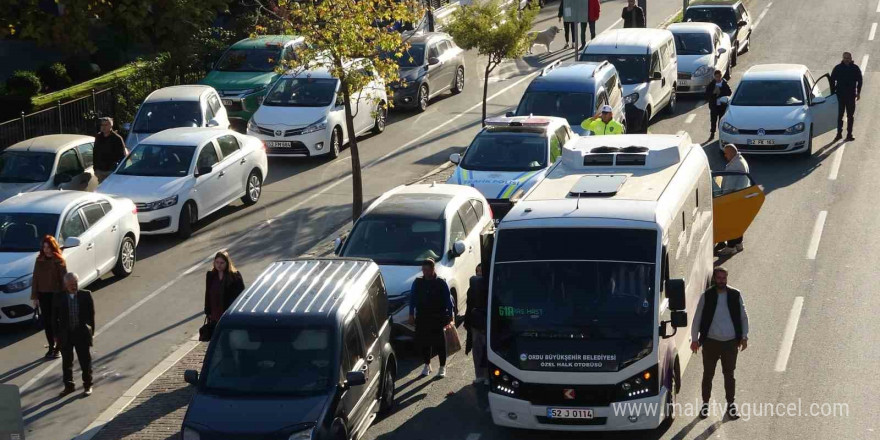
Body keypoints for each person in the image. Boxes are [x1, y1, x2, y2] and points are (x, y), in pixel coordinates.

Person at [690, 267, 749, 420]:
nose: (721, 281)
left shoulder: (735, 295)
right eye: (719, 278)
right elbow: (697, 318)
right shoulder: (707, 296)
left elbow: (743, 317)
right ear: (714, 279)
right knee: (708, 375)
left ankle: (731, 405)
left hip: (730, 343)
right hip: (710, 343)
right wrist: (694, 339)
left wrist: (744, 336)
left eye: (724, 278)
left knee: (729, 375)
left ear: (727, 279)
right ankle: (705, 405)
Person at [408, 258, 454, 378]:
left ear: (433, 269)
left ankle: (442, 366)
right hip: (422, 316)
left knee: (439, 343)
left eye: (427, 270)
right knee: (424, 342)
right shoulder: (418, 282)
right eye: (423, 270)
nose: (425, 272)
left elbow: (448, 300)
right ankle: (427, 365)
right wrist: (411, 314)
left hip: (437, 317)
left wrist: (450, 315)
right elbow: (412, 299)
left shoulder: (440, 282)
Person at [54, 273, 95, 397]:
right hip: (65, 335)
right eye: (71, 285)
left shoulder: (86, 295)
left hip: (81, 333)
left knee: (85, 361)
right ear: (65, 285)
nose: (74, 286)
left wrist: (91, 333)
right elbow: (53, 318)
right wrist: (56, 335)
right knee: (66, 362)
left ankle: (87, 385)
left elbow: (91, 316)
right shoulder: (58, 297)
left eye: (75, 284)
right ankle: (69, 386)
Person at [31, 235, 67, 359]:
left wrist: (65, 296)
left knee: (55, 322)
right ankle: (51, 346)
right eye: (44, 247)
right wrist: (35, 297)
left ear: (53, 247)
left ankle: (58, 348)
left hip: (56, 294)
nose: (46, 250)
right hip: (43, 294)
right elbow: (35, 278)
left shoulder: (59, 260)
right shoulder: (39, 260)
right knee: (47, 322)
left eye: (48, 247)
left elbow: (64, 280)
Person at [717, 144, 749, 256]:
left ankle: (730, 247)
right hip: (740, 196)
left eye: (726, 153)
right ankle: (739, 244)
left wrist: (722, 198)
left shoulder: (735, 166)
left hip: (733, 198)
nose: (725, 156)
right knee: (737, 223)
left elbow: (729, 185)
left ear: (731, 153)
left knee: (731, 224)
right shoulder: (740, 160)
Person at [204, 251, 245, 324]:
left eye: (222, 263)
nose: (219, 265)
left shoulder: (235, 276)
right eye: (217, 262)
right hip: (214, 315)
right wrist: (208, 312)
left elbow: (241, 295)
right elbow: (208, 294)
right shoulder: (211, 275)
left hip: (228, 314)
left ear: (227, 263)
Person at [464, 264, 489, 385]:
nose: (478, 274)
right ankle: (479, 375)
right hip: (475, 324)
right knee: (477, 350)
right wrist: (467, 322)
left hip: (485, 324)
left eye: (481, 272)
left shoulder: (488, 288)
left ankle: (487, 376)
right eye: (477, 272)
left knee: (487, 350)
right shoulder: (472, 288)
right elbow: (468, 306)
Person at [830, 52, 862, 142]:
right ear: (842, 58)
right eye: (845, 58)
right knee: (839, 116)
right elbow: (832, 81)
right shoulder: (837, 68)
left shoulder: (855, 68)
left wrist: (858, 92)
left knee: (850, 116)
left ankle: (849, 134)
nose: (846, 59)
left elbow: (860, 81)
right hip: (840, 96)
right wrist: (833, 93)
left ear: (851, 58)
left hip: (851, 96)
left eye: (848, 58)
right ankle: (839, 134)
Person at [93, 117, 127, 183]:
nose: (103, 127)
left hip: (111, 171)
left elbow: (122, 156)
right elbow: (95, 153)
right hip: (100, 170)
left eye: (106, 125)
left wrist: (116, 169)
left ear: (111, 126)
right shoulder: (98, 137)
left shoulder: (117, 138)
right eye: (102, 125)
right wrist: (95, 168)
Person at [706, 70, 733, 140]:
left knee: (721, 121)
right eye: (716, 77)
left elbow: (729, 92)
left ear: (721, 76)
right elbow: (707, 94)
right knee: (713, 120)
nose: (717, 78)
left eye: (718, 77)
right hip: (714, 106)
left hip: (722, 106)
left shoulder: (724, 84)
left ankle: (721, 136)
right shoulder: (712, 84)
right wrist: (713, 93)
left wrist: (720, 92)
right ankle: (712, 134)